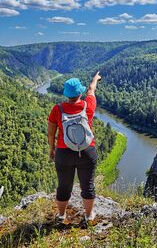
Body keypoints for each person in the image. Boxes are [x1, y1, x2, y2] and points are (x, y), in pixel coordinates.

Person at [47, 72, 101, 227]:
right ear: (80, 92)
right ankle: (89, 216)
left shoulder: (57, 109)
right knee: (88, 185)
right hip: (87, 151)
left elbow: (51, 133)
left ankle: (61, 216)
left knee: (64, 186)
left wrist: (52, 149)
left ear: (66, 93)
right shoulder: (88, 105)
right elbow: (91, 90)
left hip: (64, 153)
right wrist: (95, 79)